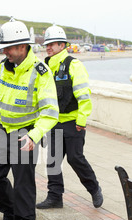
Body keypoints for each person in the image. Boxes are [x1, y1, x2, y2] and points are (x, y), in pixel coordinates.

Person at [0, 18, 59, 220]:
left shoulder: (40, 73)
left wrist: (34, 136)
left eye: (9, 48)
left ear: (23, 47)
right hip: (3, 131)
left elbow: (50, 113)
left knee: (24, 185)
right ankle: (10, 214)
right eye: (4, 48)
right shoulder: (4, 66)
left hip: (26, 135)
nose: (5, 52)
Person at [36, 25, 103, 210]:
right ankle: (54, 197)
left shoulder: (74, 65)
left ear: (61, 44)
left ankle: (94, 189)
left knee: (75, 158)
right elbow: (39, 96)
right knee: (53, 160)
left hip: (73, 123)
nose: (48, 47)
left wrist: (81, 120)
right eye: (46, 44)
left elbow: (84, 95)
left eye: (51, 44)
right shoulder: (44, 68)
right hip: (53, 123)